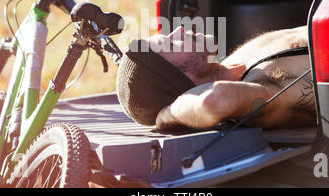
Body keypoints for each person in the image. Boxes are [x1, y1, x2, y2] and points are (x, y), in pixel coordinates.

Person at [116, 25, 316, 131]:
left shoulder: (232, 62)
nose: (178, 31)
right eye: (170, 43)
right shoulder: (252, 92)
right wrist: (167, 115)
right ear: (176, 77)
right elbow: (216, 102)